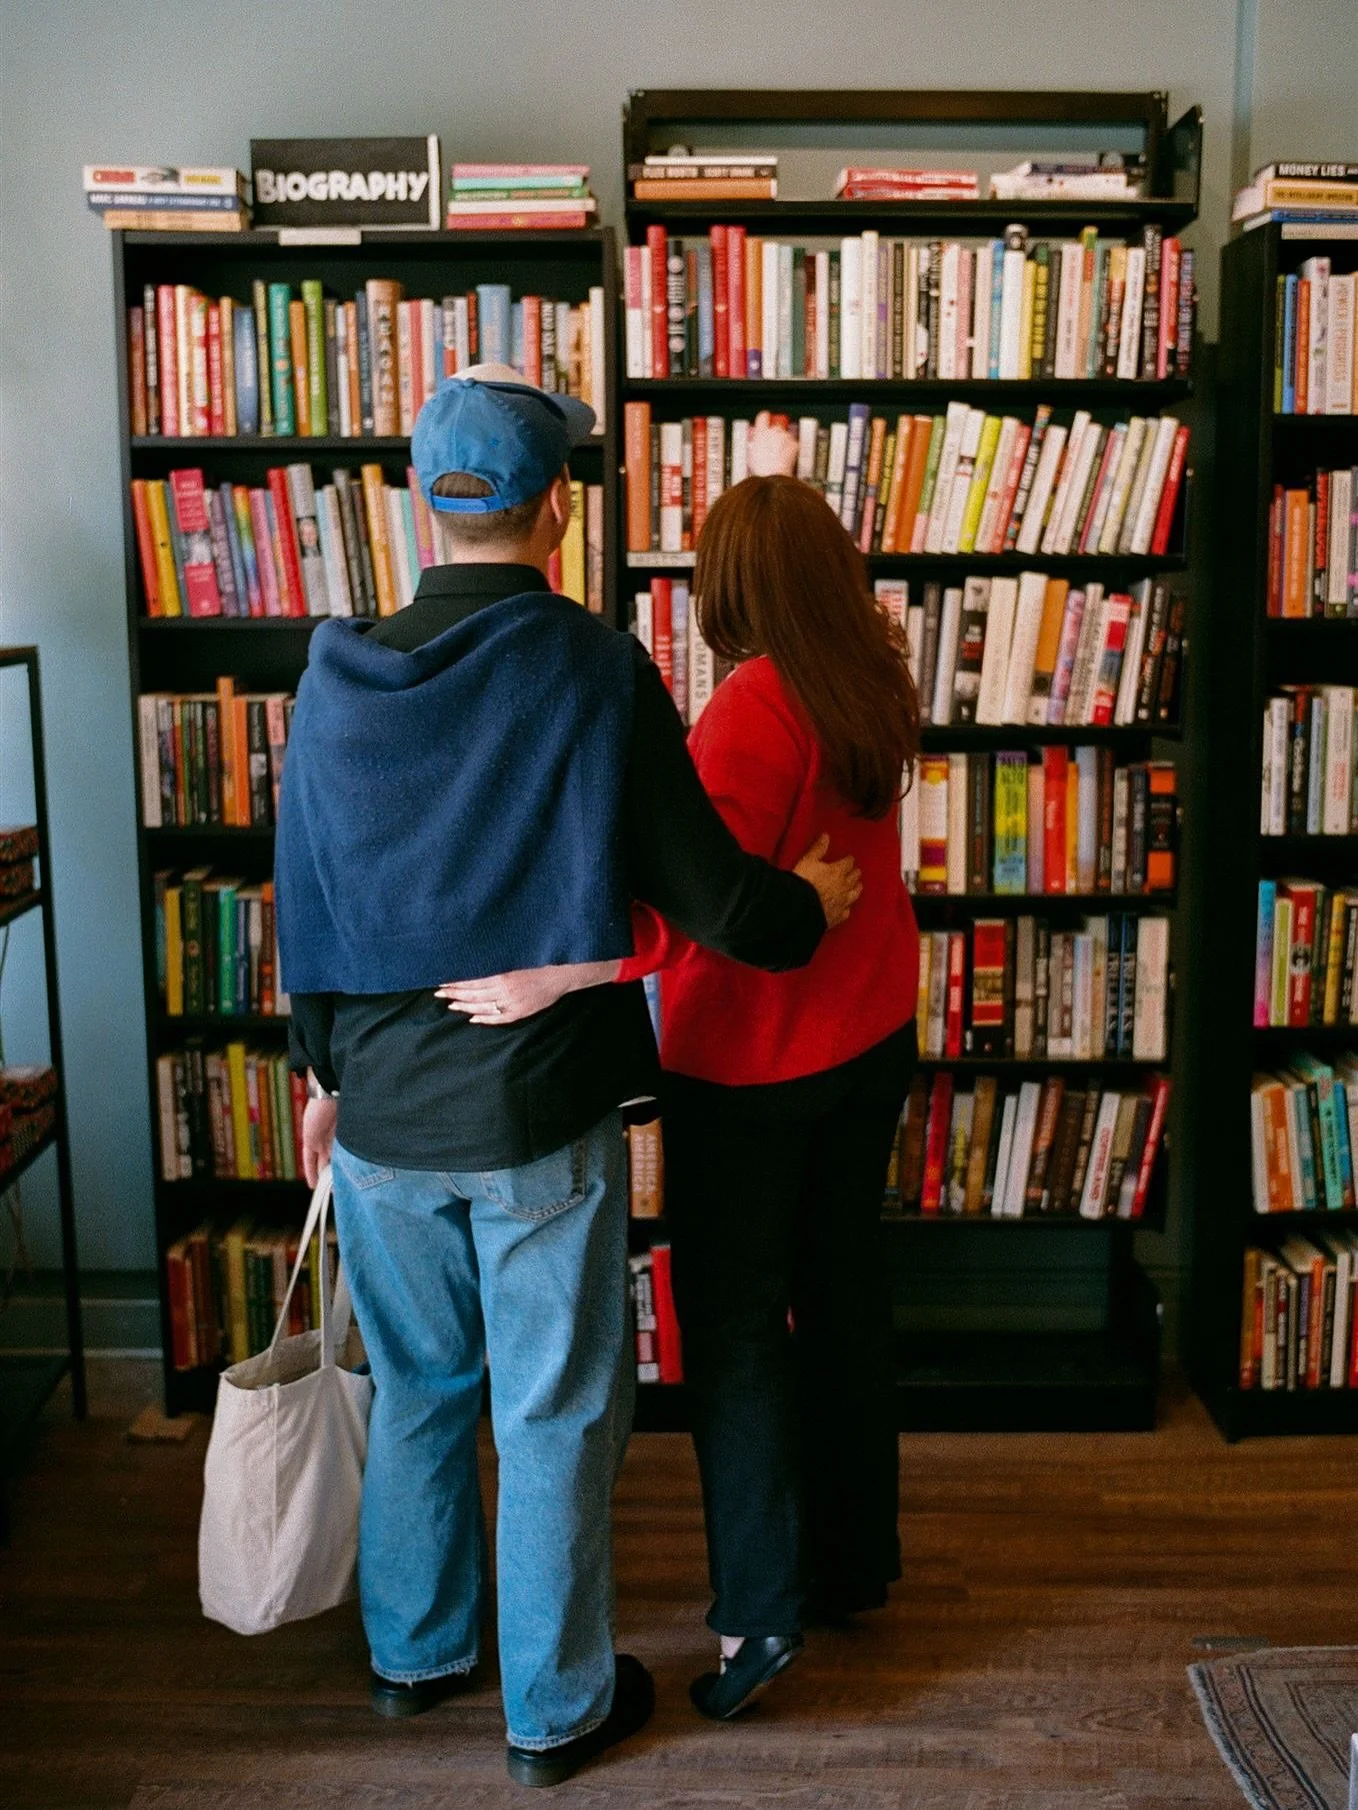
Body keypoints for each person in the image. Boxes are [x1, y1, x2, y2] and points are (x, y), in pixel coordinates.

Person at [274, 373, 861, 1787]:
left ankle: (415, 1658)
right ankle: (553, 1712)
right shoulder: (596, 669)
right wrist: (811, 909)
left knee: (419, 1386)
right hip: (535, 1112)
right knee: (551, 1410)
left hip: (380, 1112)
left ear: (424, 501)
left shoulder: (334, 666)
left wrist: (321, 1073)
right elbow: (716, 897)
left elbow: (305, 893)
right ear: (557, 507)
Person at [445, 416, 920, 1724]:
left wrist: (558, 972)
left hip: (753, 1066)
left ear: (725, 591)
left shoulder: (750, 709)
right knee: (839, 1302)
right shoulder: (869, 669)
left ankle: (760, 1612)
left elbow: (683, 902)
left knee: (734, 1335)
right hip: (868, 1037)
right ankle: (851, 1561)